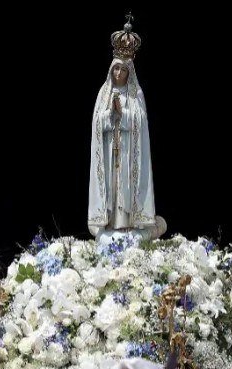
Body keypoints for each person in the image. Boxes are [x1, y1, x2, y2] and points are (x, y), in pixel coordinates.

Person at [88, 15, 165, 241]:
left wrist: (124, 113)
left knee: (126, 186)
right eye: (116, 70)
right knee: (112, 186)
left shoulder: (135, 94)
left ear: (129, 72)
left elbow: (141, 122)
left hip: (129, 150)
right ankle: (110, 222)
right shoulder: (104, 93)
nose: (119, 74)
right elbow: (97, 123)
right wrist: (110, 115)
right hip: (111, 149)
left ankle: (130, 224)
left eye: (123, 70)